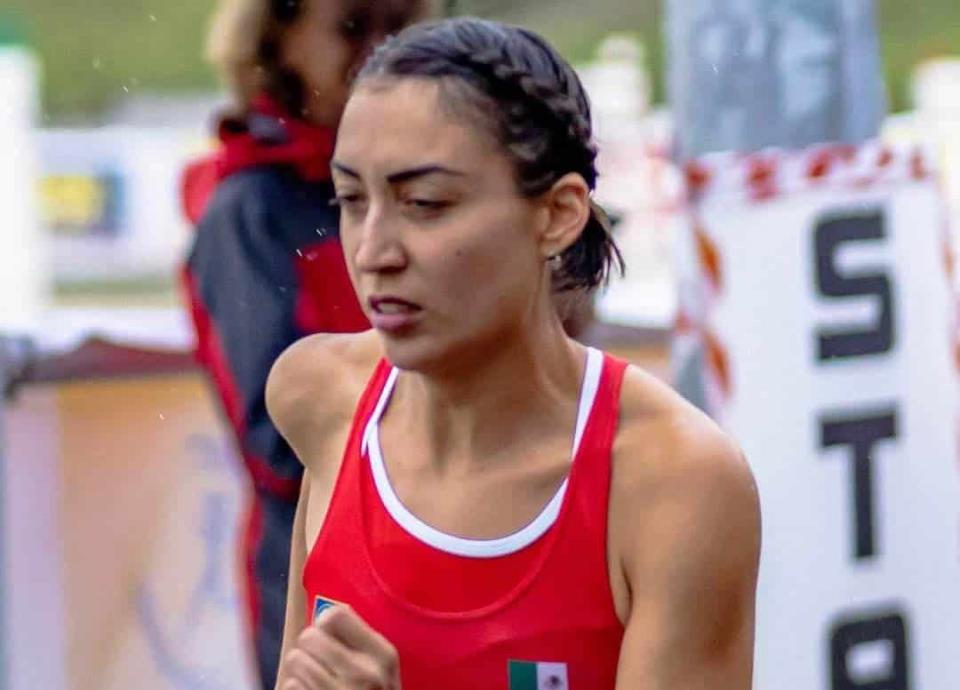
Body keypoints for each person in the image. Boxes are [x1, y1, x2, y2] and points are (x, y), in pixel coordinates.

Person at [267, 18, 761, 690]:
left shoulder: (673, 481)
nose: (373, 251)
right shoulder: (320, 397)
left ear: (557, 214)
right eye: (352, 200)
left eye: (425, 203)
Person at [179, 1, 430, 687]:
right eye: (352, 26)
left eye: (398, 25)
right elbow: (279, 442)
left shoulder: (422, 183)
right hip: (321, 567)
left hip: (441, 542)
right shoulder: (248, 208)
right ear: (276, 38)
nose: (381, 49)